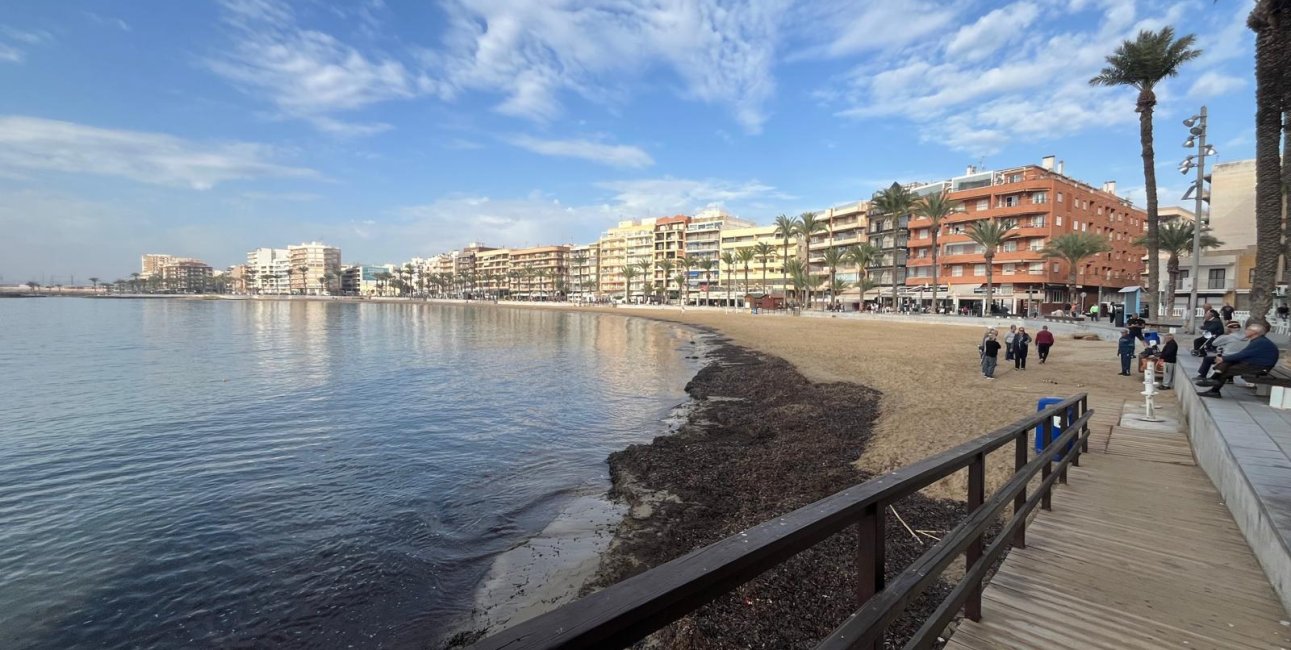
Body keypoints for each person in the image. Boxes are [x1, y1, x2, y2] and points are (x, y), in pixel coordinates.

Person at [1199, 323, 1282, 398]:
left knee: (1227, 370)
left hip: (1260, 367)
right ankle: (1214, 379)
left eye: (1248, 329)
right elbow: (1243, 354)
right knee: (1229, 361)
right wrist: (1224, 359)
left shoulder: (1260, 342)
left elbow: (1243, 355)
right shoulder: (1258, 340)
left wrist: (1223, 358)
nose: (1245, 331)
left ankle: (1214, 389)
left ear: (1255, 333)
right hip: (1254, 363)